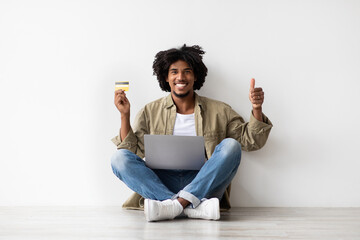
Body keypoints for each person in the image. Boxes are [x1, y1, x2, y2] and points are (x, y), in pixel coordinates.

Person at [111, 44, 272, 222]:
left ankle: (172, 207)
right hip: (162, 182)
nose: (181, 77)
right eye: (174, 72)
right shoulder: (149, 111)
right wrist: (124, 115)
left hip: (203, 181)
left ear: (195, 76)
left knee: (231, 146)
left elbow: (252, 142)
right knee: (118, 158)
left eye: (187, 71)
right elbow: (130, 152)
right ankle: (190, 207)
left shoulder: (220, 110)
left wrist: (256, 109)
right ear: (166, 77)